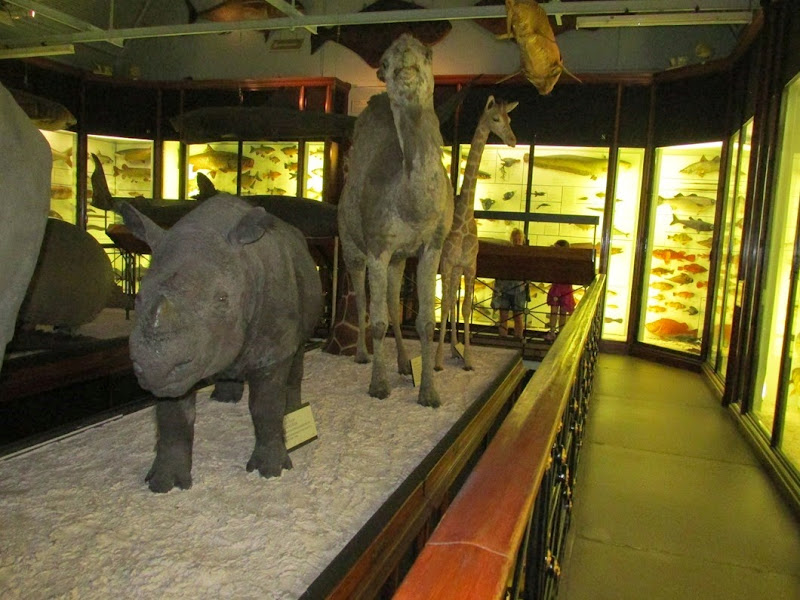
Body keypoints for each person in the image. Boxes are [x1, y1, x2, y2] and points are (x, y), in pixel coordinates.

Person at [492, 228, 527, 339]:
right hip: (506, 287)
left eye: (519, 240)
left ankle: (518, 336)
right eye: (515, 240)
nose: (517, 242)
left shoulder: (525, 253)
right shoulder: (507, 252)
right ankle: (503, 336)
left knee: (518, 315)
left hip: (518, 288)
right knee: (504, 314)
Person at [546, 239, 576, 342]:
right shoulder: (560, 259)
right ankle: (555, 332)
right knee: (556, 311)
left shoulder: (568, 260)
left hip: (562, 287)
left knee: (561, 311)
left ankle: (558, 332)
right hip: (560, 287)